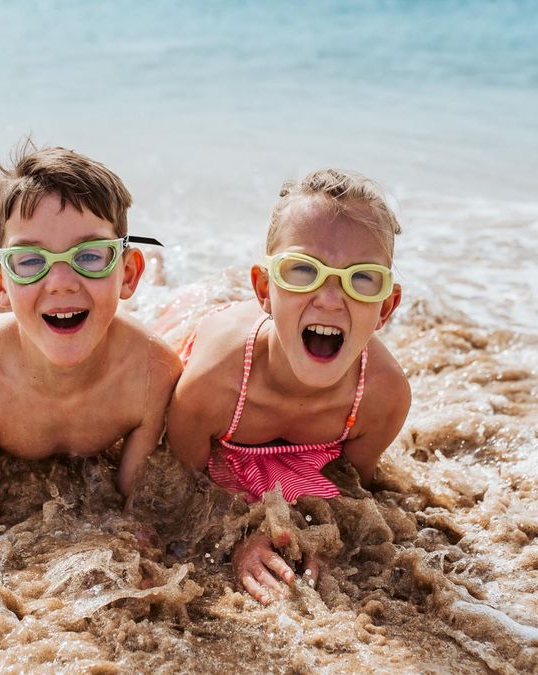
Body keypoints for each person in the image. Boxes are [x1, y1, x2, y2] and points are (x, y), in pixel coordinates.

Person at [164, 169, 411, 605]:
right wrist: (240, 537)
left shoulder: (381, 397)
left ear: (386, 307)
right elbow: (178, 488)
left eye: (362, 279)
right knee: (170, 301)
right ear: (264, 288)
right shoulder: (211, 382)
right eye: (303, 271)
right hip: (201, 327)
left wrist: (319, 538)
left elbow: (347, 489)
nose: (331, 298)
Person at [0, 142, 181, 501]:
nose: (62, 282)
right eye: (31, 260)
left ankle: (4, 248)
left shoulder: (153, 375)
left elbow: (138, 503)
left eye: (91, 255)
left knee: (33, 301)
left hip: (21, 325)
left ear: (128, 274)